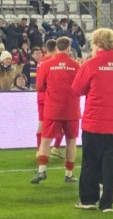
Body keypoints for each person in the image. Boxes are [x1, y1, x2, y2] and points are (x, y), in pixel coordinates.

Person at [73, 28, 113, 212]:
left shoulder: (91, 64)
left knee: (90, 162)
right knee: (110, 163)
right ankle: (107, 203)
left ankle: (88, 200)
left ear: (97, 44)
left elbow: (77, 89)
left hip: (94, 121)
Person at [31, 37, 81, 184]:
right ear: (69, 48)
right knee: (71, 141)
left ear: (56, 48)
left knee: (46, 139)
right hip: (71, 108)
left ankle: (42, 170)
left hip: (53, 108)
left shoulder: (47, 65)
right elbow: (81, 86)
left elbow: (39, 87)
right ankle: (69, 173)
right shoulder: (76, 66)